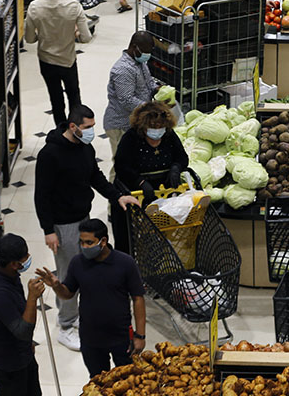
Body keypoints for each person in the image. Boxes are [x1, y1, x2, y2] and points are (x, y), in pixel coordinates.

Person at [34, 105, 139, 351]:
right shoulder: (50, 154)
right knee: (70, 271)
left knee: (85, 266)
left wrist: (117, 196)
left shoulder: (85, 147)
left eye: (93, 127)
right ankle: (66, 325)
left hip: (83, 217)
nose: (92, 132)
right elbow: (42, 195)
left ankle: (77, 315)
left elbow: (96, 177)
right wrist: (48, 230)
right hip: (63, 224)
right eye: (87, 128)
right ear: (73, 127)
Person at [36, 219, 147, 379]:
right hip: (91, 338)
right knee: (98, 381)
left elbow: (138, 298)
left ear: (103, 241)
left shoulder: (125, 263)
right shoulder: (77, 263)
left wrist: (140, 335)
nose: (84, 247)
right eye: (81, 242)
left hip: (121, 336)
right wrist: (56, 285)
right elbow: (68, 294)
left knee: (128, 381)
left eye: (89, 242)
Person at [113, 101, 189, 253]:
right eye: (153, 127)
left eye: (160, 127)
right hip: (134, 193)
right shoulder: (130, 138)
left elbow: (182, 157)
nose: (157, 131)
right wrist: (140, 181)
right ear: (142, 126)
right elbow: (121, 166)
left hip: (161, 193)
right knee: (127, 239)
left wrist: (175, 168)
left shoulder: (169, 136)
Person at [24, 0, 92, 127]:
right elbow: (86, 38)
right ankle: (77, 131)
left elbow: (30, 39)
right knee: (74, 98)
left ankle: (62, 132)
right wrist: (74, 33)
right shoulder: (74, 6)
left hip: (46, 61)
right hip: (68, 60)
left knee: (56, 99)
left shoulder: (34, 7)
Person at [0, 234, 45, 396]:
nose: (28, 259)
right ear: (14, 264)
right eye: (25, 258)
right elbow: (23, 331)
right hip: (9, 364)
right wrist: (32, 297)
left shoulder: (7, 273)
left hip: (23, 355)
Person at [104, 30, 158, 179]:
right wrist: (151, 108)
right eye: (145, 51)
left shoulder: (139, 62)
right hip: (119, 125)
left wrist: (157, 90)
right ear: (135, 47)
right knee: (121, 167)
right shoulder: (122, 69)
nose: (147, 55)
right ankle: (115, 200)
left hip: (133, 123)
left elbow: (148, 83)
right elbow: (127, 100)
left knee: (134, 164)